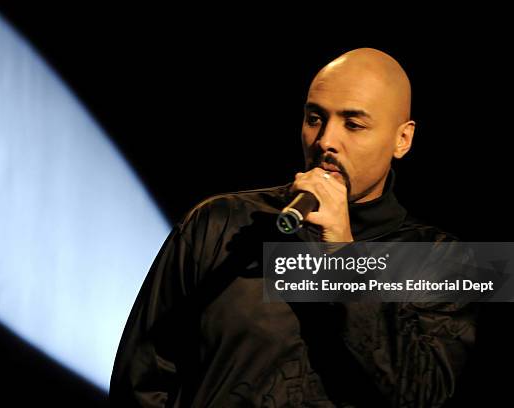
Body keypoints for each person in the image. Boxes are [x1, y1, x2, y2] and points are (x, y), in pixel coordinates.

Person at [109, 48, 477, 407]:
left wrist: (343, 257)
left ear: (402, 139)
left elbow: (423, 393)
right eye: (315, 118)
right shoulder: (220, 221)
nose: (326, 141)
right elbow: (140, 377)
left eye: (353, 124)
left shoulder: (447, 261)